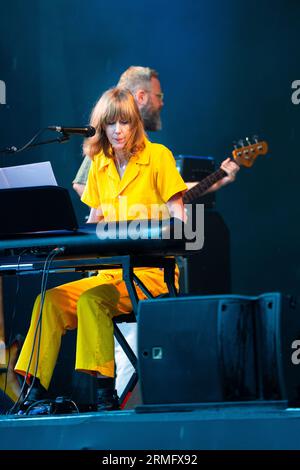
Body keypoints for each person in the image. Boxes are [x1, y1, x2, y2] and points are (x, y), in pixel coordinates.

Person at [14, 87, 188, 413]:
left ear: (135, 124)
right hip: (110, 274)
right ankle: (33, 393)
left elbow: (182, 221)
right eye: (111, 124)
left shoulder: (158, 157)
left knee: (93, 301)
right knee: (48, 301)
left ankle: (105, 394)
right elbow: (93, 224)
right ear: (101, 128)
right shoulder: (100, 164)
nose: (118, 130)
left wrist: (159, 233)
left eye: (124, 122)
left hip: (149, 276)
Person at [72, 66, 240, 399]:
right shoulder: (104, 155)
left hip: (147, 267)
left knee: (140, 354)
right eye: (159, 96)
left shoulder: (155, 155)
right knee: (124, 353)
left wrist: (214, 180)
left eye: (124, 122)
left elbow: (172, 204)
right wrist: (117, 217)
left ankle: (123, 408)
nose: (163, 104)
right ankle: (113, 406)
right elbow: (83, 187)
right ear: (143, 97)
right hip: (117, 263)